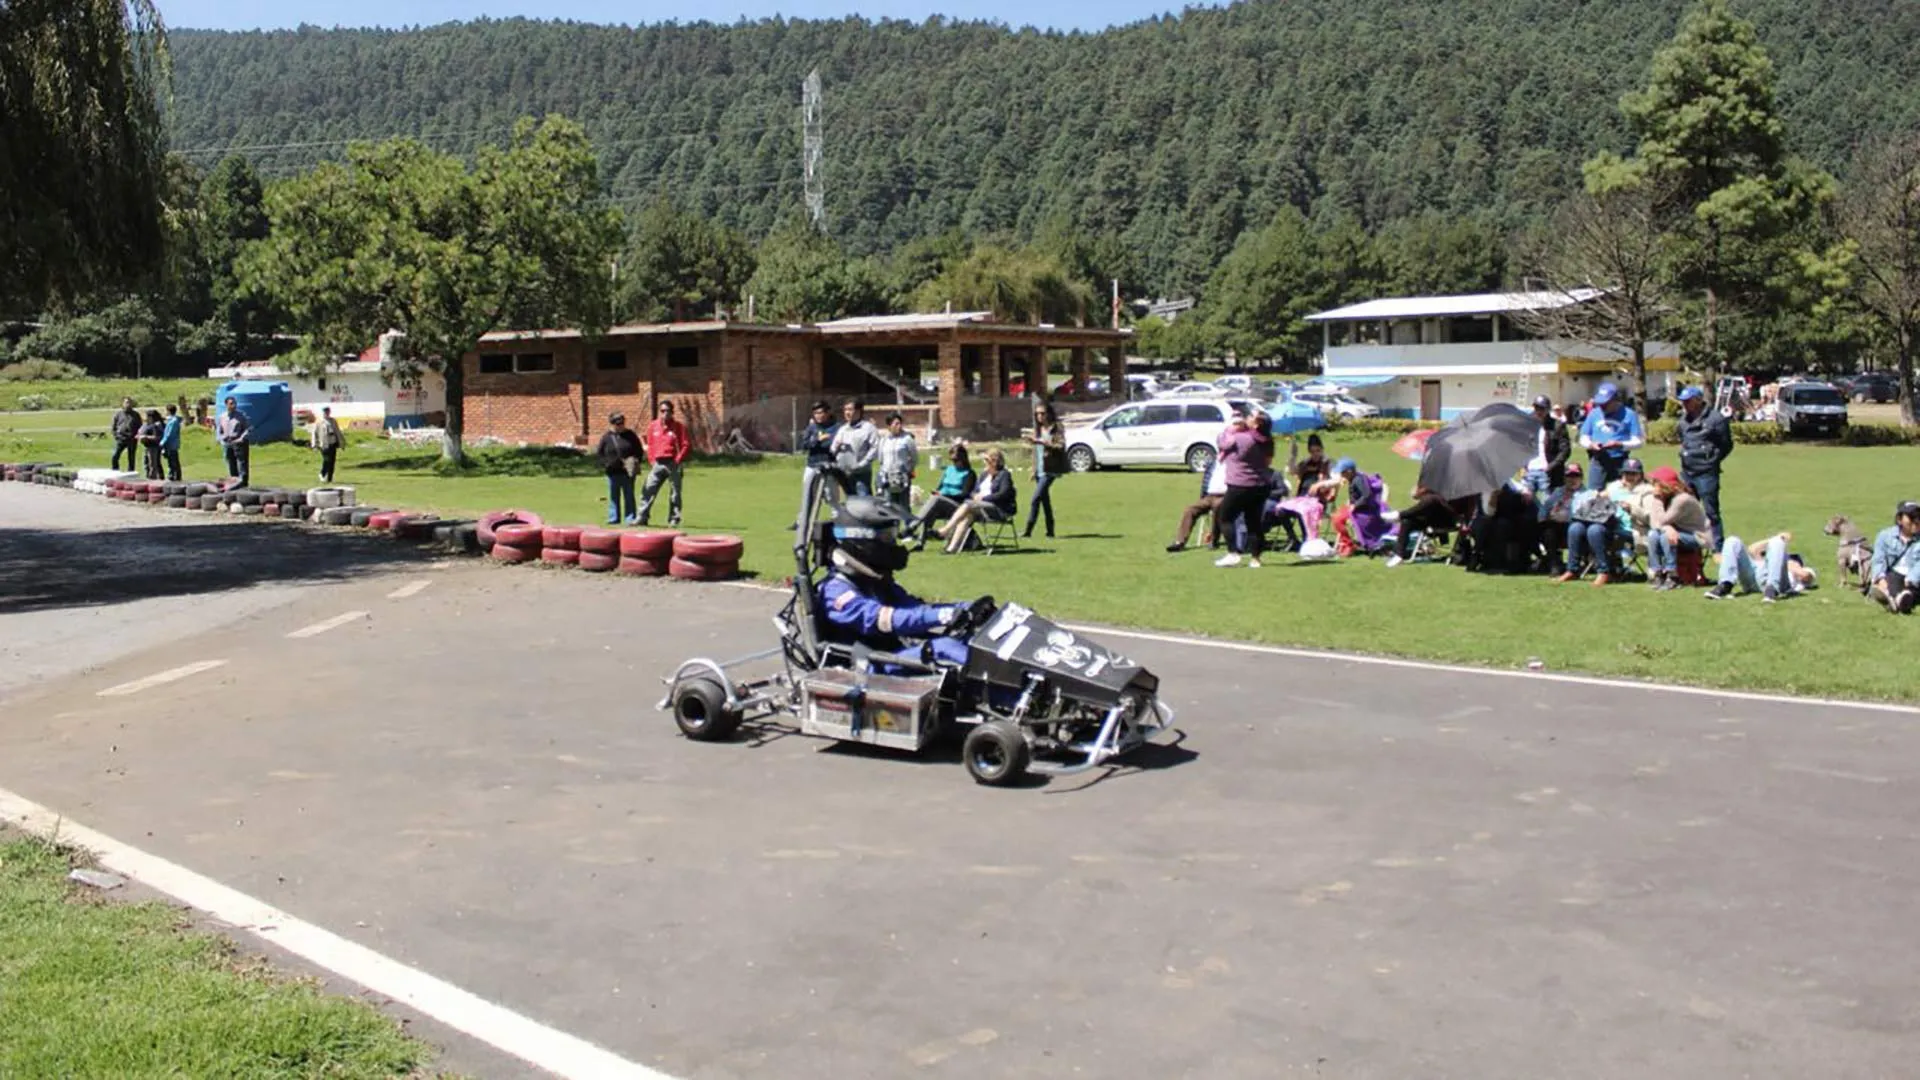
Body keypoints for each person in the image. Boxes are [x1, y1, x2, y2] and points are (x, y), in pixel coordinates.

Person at [817, 496, 982, 667]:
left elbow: (913, 609)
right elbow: (883, 619)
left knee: (966, 640)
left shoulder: (873, 582)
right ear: (861, 539)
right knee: (944, 647)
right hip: (864, 667)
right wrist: (942, 615)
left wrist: (964, 607)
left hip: (889, 655)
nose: (894, 544)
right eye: (888, 537)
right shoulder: (836, 591)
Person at [1213, 408, 1274, 568]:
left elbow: (1221, 442)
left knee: (1225, 517)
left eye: (1250, 416)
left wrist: (1230, 429)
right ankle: (1256, 559)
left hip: (1240, 484)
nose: (1246, 418)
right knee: (1253, 522)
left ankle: (1233, 553)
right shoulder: (1267, 440)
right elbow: (1268, 463)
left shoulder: (1241, 438)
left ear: (1256, 423)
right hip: (1260, 485)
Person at [1676, 385, 1734, 549]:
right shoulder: (1683, 420)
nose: (1685, 404)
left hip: (1706, 473)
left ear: (1698, 400)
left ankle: (1717, 545)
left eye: (1688, 401)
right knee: (1686, 509)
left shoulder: (1716, 419)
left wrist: (1713, 460)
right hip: (1687, 472)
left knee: (1711, 511)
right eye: (1683, 402)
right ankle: (1690, 544)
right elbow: (1683, 439)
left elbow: (1726, 444)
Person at [936, 447, 1016, 554]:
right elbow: (974, 491)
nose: (984, 463)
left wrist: (984, 498)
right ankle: (952, 548)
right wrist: (975, 495)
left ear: (994, 461)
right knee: (967, 516)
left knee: (968, 505)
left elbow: (1003, 494)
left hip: (999, 509)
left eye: (986, 460)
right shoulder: (984, 475)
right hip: (981, 507)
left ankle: (946, 530)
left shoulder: (1004, 475)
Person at [1645, 465, 1711, 591]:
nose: (1653, 487)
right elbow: (1654, 523)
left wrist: (1658, 502)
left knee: (1666, 536)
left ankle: (1672, 575)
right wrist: (1667, 528)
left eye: (1656, 483)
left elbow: (1663, 520)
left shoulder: (1682, 499)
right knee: (1653, 534)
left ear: (1665, 485)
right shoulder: (1664, 497)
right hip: (1679, 532)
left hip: (1698, 537)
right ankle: (1657, 572)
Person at [1706, 532, 1817, 603]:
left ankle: (1772, 589)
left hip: (1779, 581)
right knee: (1732, 541)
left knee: (1778, 542)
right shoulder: (1767, 557)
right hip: (1753, 577)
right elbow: (1752, 549)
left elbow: (1806, 576)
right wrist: (1773, 538)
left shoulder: (1797, 565)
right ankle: (1726, 584)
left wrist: (1791, 565)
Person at [1577, 381, 1645, 490]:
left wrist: (1620, 444)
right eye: (1600, 403)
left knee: (1620, 492)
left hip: (1620, 460)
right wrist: (1591, 444)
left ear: (1615, 400)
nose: (1602, 406)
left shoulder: (1629, 414)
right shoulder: (1594, 413)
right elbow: (1583, 437)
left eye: (1605, 403)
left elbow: (1638, 441)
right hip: (1598, 459)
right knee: (1593, 493)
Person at [907, 443, 977, 545]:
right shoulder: (949, 470)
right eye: (952, 460)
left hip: (957, 506)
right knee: (932, 506)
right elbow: (940, 487)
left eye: (956, 460)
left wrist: (944, 496)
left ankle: (912, 526)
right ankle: (919, 543)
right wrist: (936, 492)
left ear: (963, 459)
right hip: (941, 503)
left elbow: (965, 494)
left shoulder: (969, 473)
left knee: (936, 500)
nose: (954, 463)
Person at [1386, 483, 1468, 568]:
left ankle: (1399, 515)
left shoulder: (1436, 496)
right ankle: (1399, 555)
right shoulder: (1434, 493)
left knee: (1430, 499)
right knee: (1407, 522)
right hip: (1430, 519)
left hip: (1447, 521)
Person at [636, 399, 690, 527]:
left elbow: (686, 444)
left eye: (668, 411)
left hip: (673, 463)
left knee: (675, 493)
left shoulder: (678, 427)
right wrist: (651, 460)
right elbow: (649, 445)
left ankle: (674, 519)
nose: (665, 413)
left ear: (672, 412)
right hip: (658, 464)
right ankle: (642, 517)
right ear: (659, 412)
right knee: (648, 489)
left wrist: (678, 459)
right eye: (662, 411)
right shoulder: (653, 426)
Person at [1556, 484, 1623, 586]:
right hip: (1597, 518)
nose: (1629, 476)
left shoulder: (1644, 490)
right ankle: (1572, 570)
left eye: (1633, 474)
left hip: (1619, 526)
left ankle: (1604, 571)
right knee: (1575, 528)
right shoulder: (1613, 486)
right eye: (1627, 473)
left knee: (1594, 530)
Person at [1331, 457, 1393, 556]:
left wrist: (1355, 505)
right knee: (1335, 517)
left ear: (1350, 471)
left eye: (1343, 472)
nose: (1341, 475)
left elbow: (1367, 495)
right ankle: (1346, 542)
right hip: (1354, 506)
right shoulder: (1354, 478)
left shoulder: (1358, 480)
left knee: (1337, 519)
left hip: (1362, 509)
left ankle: (1348, 544)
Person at [793, 401, 840, 530]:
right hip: (812, 465)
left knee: (832, 496)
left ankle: (838, 520)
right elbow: (803, 445)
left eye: (821, 412)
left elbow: (831, 445)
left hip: (829, 466)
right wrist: (817, 440)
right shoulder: (812, 428)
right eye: (815, 413)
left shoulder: (836, 427)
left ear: (828, 412)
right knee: (808, 494)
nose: (818, 416)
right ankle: (801, 522)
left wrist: (819, 443)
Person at [1867, 501, 1920, 614]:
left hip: (1915, 576)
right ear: (1899, 519)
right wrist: (1880, 578)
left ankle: (1899, 599)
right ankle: (1895, 598)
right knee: (1891, 582)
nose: (1916, 521)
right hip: (1895, 573)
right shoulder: (1885, 536)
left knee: (1913, 588)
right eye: (1911, 517)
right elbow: (1878, 559)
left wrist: (1912, 578)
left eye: (1918, 517)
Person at [1024, 402, 1067, 538]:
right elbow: (1036, 451)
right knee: (1044, 501)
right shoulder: (1038, 429)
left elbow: (1061, 446)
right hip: (1040, 470)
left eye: (1042, 413)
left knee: (1035, 499)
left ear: (1049, 413)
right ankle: (1050, 531)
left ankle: (1028, 530)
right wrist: (1034, 468)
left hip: (1050, 469)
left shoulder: (1056, 428)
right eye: (1037, 414)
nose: (1040, 416)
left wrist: (1043, 442)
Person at [1523, 395, 1572, 515]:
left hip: (1549, 472)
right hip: (1530, 470)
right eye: (1537, 408)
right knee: (1527, 503)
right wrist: (1523, 464)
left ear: (1548, 409)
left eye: (1542, 409)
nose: (1539, 411)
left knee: (1549, 505)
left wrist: (1551, 466)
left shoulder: (1558, 426)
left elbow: (1565, 450)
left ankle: (1547, 528)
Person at [1168, 458, 1228, 552]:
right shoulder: (1213, 463)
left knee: (1217, 506)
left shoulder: (1233, 464)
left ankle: (1214, 540)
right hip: (1209, 496)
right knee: (1190, 509)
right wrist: (1203, 496)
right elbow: (1206, 481)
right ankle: (1179, 542)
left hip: (1225, 496)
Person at [594, 412, 643, 525]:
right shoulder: (606, 437)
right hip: (612, 471)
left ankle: (630, 518)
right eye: (617, 424)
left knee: (629, 495)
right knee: (613, 496)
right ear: (611, 424)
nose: (620, 426)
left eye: (621, 423)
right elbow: (600, 453)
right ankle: (613, 518)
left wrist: (636, 462)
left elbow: (639, 450)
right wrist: (606, 464)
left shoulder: (630, 435)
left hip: (628, 471)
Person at [828, 399, 879, 497]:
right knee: (851, 502)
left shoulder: (868, 428)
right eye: (845, 410)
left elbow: (875, 448)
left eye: (850, 409)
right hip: (846, 474)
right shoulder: (843, 429)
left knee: (864, 501)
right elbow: (833, 449)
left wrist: (862, 464)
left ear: (859, 411)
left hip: (862, 472)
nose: (847, 412)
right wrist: (836, 449)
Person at [875, 412, 918, 517]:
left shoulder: (907, 439)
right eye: (895, 424)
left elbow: (914, 457)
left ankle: (908, 529)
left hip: (902, 477)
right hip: (888, 478)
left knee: (904, 506)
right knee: (889, 506)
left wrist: (908, 470)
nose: (899, 426)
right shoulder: (883, 440)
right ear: (889, 426)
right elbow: (880, 459)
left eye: (900, 423)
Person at [215, 396, 251, 486]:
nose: (233, 405)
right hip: (228, 443)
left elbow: (248, 429)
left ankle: (243, 482)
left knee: (242, 463)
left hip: (239, 442)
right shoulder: (222, 417)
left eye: (234, 403)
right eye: (231, 404)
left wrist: (242, 438)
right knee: (231, 462)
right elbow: (219, 430)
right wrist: (221, 439)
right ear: (226, 405)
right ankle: (234, 482)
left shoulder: (241, 416)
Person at [311, 405, 343, 484]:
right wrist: (314, 444)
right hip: (324, 444)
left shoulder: (333, 421)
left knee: (332, 461)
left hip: (333, 442)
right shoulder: (319, 422)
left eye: (328, 411)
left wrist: (342, 443)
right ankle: (322, 473)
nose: (327, 413)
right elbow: (314, 434)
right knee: (326, 460)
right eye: (325, 412)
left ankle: (330, 479)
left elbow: (338, 432)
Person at [110, 398, 140, 472]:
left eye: (129, 403)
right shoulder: (118, 414)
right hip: (121, 439)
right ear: (123, 404)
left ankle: (131, 473)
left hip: (132, 439)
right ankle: (115, 470)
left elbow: (140, 427)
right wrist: (116, 436)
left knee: (131, 458)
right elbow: (113, 426)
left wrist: (136, 436)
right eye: (126, 402)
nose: (128, 404)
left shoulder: (136, 415)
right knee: (115, 456)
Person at [136, 409, 163, 479]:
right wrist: (139, 436)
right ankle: (147, 477)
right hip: (146, 447)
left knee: (152, 464)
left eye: (146, 416)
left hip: (153, 448)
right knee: (146, 464)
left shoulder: (155, 426)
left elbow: (156, 437)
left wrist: (146, 437)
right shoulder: (145, 425)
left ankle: (152, 478)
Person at [159, 403, 183, 481]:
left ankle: (174, 476)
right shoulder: (172, 420)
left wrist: (162, 442)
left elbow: (169, 434)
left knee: (173, 461)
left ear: (168, 411)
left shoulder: (173, 422)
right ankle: (174, 475)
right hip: (173, 444)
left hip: (171, 444)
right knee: (172, 460)